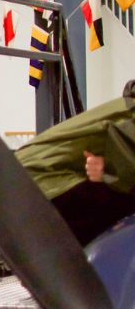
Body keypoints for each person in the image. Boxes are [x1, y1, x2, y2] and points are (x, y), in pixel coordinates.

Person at [15, 84, 135, 246]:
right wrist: (111, 172)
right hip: (45, 183)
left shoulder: (125, 106)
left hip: (29, 175)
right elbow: (124, 166)